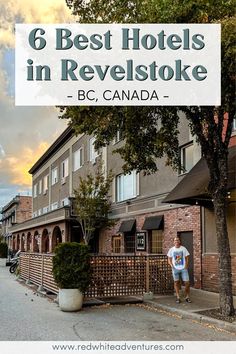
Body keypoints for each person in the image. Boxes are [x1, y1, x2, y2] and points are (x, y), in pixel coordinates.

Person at [167, 237, 191, 304]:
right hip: (175, 269)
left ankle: (187, 297)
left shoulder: (183, 248)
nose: (176, 241)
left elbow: (187, 258)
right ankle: (178, 297)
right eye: (175, 240)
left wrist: (186, 266)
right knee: (176, 283)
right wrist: (172, 265)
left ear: (179, 241)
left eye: (177, 240)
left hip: (183, 268)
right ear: (173, 242)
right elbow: (169, 259)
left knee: (187, 283)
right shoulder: (171, 250)